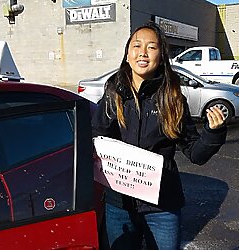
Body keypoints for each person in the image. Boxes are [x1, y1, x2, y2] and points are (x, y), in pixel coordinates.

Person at [92, 21, 227, 250]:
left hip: (163, 206)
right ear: (127, 55)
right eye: (136, 45)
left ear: (161, 57)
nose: (143, 52)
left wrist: (213, 133)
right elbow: (98, 139)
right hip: (119, 205)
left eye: (151, 47)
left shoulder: (172, 99)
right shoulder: (113, 94)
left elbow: (196, 153)